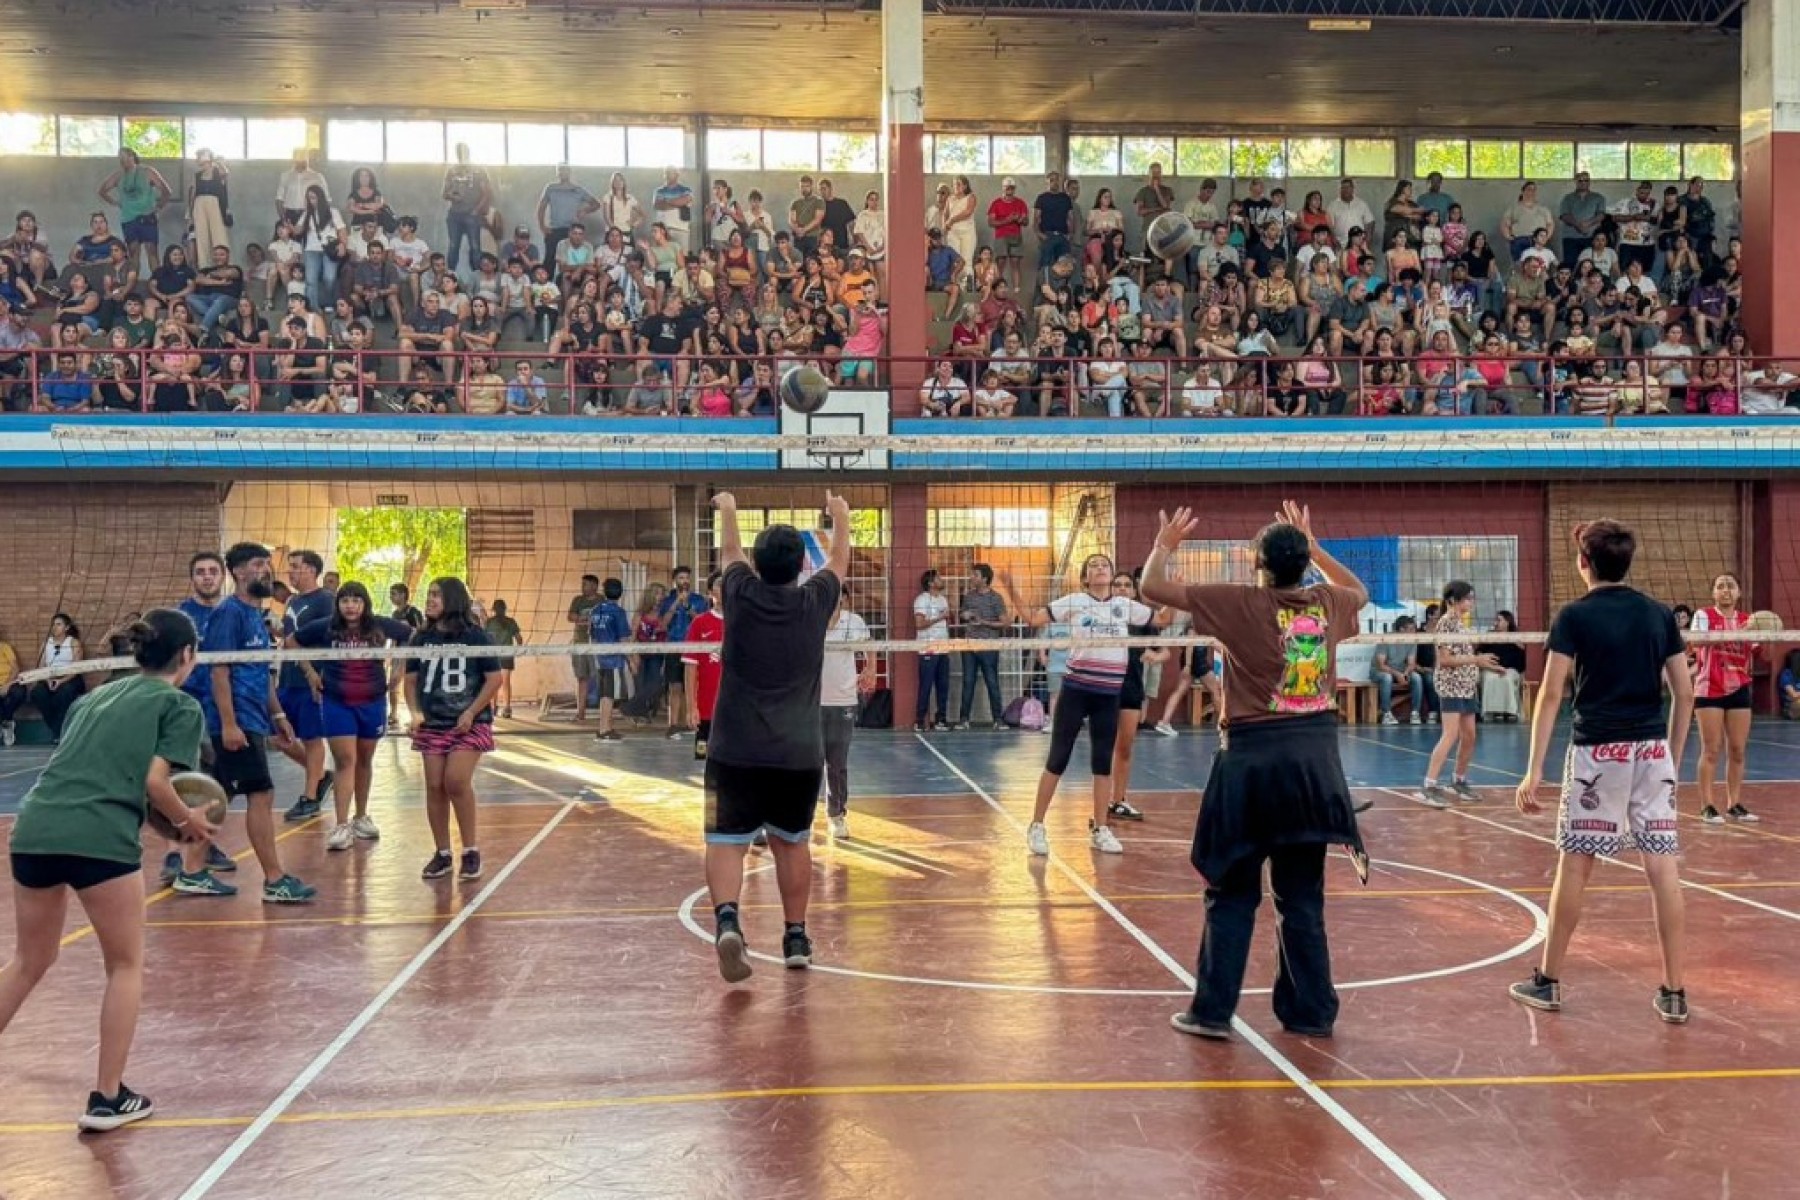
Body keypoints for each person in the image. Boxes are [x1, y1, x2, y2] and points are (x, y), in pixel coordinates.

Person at [1141, 501, 1370, 1041]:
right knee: (1302, 896)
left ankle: (1213, 1012)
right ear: (1302, 565)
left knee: (1233, 889)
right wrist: (1317, 549)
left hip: (1251, 761)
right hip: (1313, 765)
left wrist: (1166, 543)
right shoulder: (1329, 600)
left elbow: (1153, 586)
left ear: (1257, 566)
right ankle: (1311, 1013)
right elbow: (1359, 588)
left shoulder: (1239, 601)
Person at [1, 610, 214, 1131]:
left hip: (34, 829)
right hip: (99, 835)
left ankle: (110, 1095)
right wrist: (193, 823)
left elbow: (121, 782)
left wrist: (172, 830)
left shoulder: (92, 698)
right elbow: (156, 783)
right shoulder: (179, 704)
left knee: (28, 960)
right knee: (124, 965)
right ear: (187, 656)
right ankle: (107, 1097)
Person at [1511, 520, 1693, 1024]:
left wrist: (1533, 772)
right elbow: (1684, 691)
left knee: (1576, 865)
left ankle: (1547, 983)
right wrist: (1671, 757)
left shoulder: (1573, 617)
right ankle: (1674, 992)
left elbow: (1549, 696)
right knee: (1662, 868)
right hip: (1651, 754)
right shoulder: (1659, 614)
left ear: (1583, 563)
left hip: (1599, 754)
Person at [703, 491, 848, 983]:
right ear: (801, 565)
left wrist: (727, 508)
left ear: (757, 565)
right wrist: (842, 517)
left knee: (726, 841)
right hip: (797, 754)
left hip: (733, 749)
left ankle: (727, 920)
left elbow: (729, 554)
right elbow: (840, 562)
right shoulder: (815, 601)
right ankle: (796, 937)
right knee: (792, 844)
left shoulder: (739, 594)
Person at [204, 543, 315, 904]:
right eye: (257, 564)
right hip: (234, 720)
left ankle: (188, 866)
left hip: (254, 716)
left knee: (219, 793)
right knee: (261, 793)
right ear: (237, 572)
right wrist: (229, 723)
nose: (266, 570)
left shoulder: (257, 615)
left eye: (267, 564)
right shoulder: (229, 613)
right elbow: (219, 670)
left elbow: (260, 672)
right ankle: (273, 879)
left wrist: (277, 715)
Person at [1024, 553, 1153, 857]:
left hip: (1108, 694)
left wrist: (1171, 592)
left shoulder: (1124, 605)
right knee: (1058, 758)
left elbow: (1162, 619)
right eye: (1093, 565)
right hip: (1076, 689)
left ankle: (1100, 828)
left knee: (1101, 761)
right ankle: (1036, 825)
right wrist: (1013, 591)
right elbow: (1034, 620)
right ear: (1084, 577)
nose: (1100, 568)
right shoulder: (1073, 601)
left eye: (1105, 565)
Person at [287, 583, 415, 852]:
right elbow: (291, 641)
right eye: (345, 600)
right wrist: (310, 673)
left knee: (365, 760)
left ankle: (361, 817)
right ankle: (341, 824)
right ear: (338, 604)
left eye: (357, 600)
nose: (350, 605)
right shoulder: (326, 626)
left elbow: (412, 635)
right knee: (346, 760)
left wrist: (398, 668)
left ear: (365, 603)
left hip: (372, 700)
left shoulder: (379, 625)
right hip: (337, 700)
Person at [407, 577, 506, 883]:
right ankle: (443, 854)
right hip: (433, 722)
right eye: (429, 595)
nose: (430, 600)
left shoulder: (476, 636)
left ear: (452, 599)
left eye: (436, 595)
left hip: (469, 722)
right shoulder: (421, 638)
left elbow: (494, 679)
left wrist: (472, 711)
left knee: (455, 781)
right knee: (435, 785)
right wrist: (414, 713)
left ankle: (471, 850)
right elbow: (410, 681)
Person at [163, 550, 238, 895]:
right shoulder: (181, 617)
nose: (207, 577)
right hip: (185, 709)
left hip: (221, 708)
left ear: (222, 576)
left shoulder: (231, 612)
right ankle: (173, 854)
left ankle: (203, 843)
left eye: (212, 571)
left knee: (215, 781)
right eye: (200, 572)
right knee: (180, 779)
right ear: (191, 578)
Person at [1416, 582, 1502, 808]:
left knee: (1470, 735)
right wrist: (1476, 660)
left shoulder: (1461, 625)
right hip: (1451, 685)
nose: (1471, 602)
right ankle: (1429, 785)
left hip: (1466, 685)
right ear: (1453, 600)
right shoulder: (1445, 624)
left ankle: (1458, 780)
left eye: (1472, 598)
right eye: (1467, 598)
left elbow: (1464, 657)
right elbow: (1444, 660)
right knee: (1450, 734)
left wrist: (1486, 665)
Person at [1689, 574, 1759, 824]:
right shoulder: (1704, 615)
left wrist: (1771, 631)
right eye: (1720, 586)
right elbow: (1695, 642)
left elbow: (1764, 653)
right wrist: (1736, 634)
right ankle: (1707, 805)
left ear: (1739, 593)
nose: (1726, 590)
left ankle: (1734, 804)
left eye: (1731, 585)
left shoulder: (1749, 621)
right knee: (1711, 749)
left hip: (1739, 686)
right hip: (1710, 687)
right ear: (1714, 594)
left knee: (1738, 750)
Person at [276, 550, 335, 824]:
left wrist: (316, 675)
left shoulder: (326, 601)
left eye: (296, 567)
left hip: (311, 679)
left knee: (312, 738)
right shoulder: (292, 601)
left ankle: (310, 797)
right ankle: (321, 776)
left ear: (311, 570)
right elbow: (289, 636)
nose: (291, 572)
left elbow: (326, 638)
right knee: (278, 736)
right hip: (288, 676)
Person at [1106, 571, 1167, 823]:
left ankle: (1118, 801)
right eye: (1116, 585)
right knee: (1103, 747)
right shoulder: (1101, 615)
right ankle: (1101, 803)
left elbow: (1165, 650)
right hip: (1104, 686)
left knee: (1125, 746)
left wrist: (1155, 656)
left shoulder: (1142, 619)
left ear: (1134, 591)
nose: (1121, 589)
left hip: (1130, 686)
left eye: (1126, 585)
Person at [822, 581, 875, 840]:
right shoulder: (810, 620)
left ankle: (837, 815)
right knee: (805, 763)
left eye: (837, 597)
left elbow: (869, 646)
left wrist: (870, 668)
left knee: (837, 762)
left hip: (843, 699)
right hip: (811, 702)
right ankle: (798, 815)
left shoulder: (853, 621)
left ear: (843, 599)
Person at [682, 573, 725, 760]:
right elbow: (690, 668)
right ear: (710, 592)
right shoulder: (699, 623)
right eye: (719, 584)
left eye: (729, 583)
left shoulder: (745, 622)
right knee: (705, 763)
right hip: (707, 708)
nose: (725, 588)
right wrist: (692, 707)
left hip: (738, 710)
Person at [1479, 610, 1528, 722]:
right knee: (1489, 678)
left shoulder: (1516, 638)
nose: (1495, 623)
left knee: (1507, 679)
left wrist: (1520, 646)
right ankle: (1490, 711)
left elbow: (1521, 662)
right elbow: (1479, 653)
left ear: (1507, 622)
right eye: (1495, 620)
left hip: (1510, 669)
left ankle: (1510, 711)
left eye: (1499, 620)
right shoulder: (1490, 636)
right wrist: (1491, 666)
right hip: (1491, 668)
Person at [482, 599, 522, 719]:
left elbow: (484, 638)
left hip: (493, 655)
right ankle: (507, 708)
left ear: (494, 610)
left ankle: (494, 707)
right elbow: (519, 639)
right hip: (507, 655)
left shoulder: (489, 622)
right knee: (506, 682)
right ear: (505, 609)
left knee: (493, 682)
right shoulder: (511, 622)